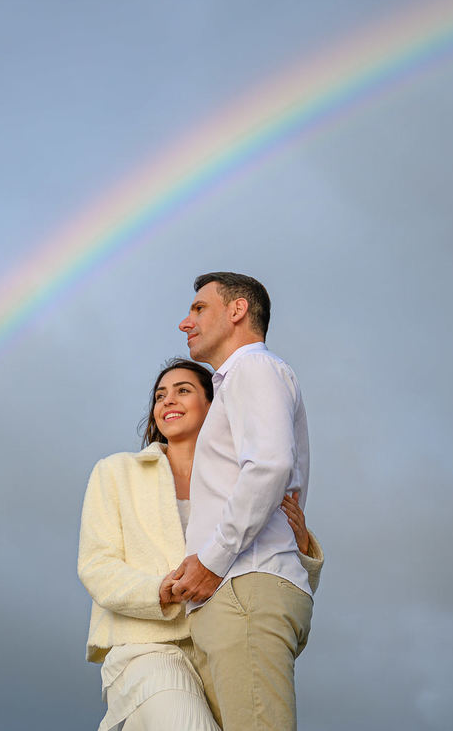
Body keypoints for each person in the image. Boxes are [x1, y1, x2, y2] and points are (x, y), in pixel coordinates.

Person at [78, 358, 323, 731]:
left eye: (183, 391)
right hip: (146, 649)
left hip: (219, 648)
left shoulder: (243, 485)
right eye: (160, 396)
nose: (167, 402)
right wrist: (160, 590)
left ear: (213, 404)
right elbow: (97, 566)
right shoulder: (115, 472)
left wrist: (302, 545)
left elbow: (268, 577)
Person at [168, 272, 313, 731]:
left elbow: (269, 466)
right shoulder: (237, 381)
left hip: (243, 587)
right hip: (236, 595)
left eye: (198, 309)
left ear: (237, 311)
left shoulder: (253, 368)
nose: (184, 323)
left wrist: (212, 561)